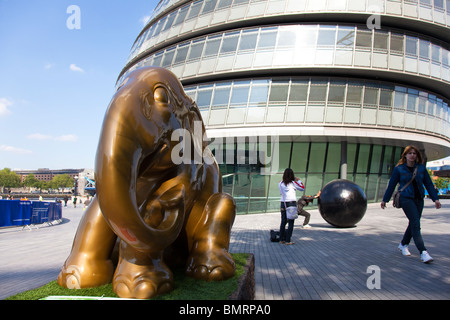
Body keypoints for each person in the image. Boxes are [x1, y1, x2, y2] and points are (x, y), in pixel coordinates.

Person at [381, 145, 441, 263]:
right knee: (415, 224)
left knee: (413, 223)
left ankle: (403, 244)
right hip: (406, 199)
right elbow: (392, 185)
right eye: (410, 153)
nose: (412, 155)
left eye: (414, 153)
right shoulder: (399, 169)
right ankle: (423, 252)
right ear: (405, 155)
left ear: (417, 155)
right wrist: (385, 200)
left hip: (419, 199)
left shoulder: (421, 168)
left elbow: (428, 184)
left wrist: (436, 199)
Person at [279, 168, 305, 245]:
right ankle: (288, 240)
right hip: (291, 203)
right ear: (292, 175)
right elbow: (302, 188)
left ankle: (281, 239)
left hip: (283, 203)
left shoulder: (280, 183)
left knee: (283, 221)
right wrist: (299, 180)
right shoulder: (294, 183)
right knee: (291, 222)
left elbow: (281, 193)